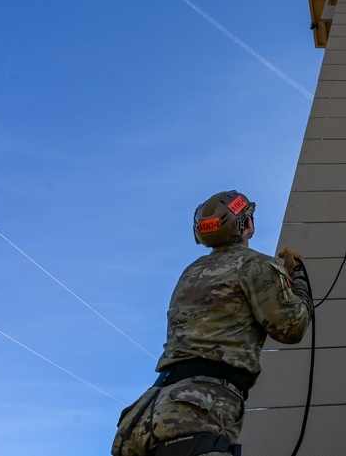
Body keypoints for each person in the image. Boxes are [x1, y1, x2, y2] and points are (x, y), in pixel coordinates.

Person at [112, 190, 312, 456]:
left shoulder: (192, 272)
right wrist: (296, 283)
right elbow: (291, 327)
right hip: (198, 410)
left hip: (148, 412)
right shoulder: (258, 265)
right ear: (247, 224)